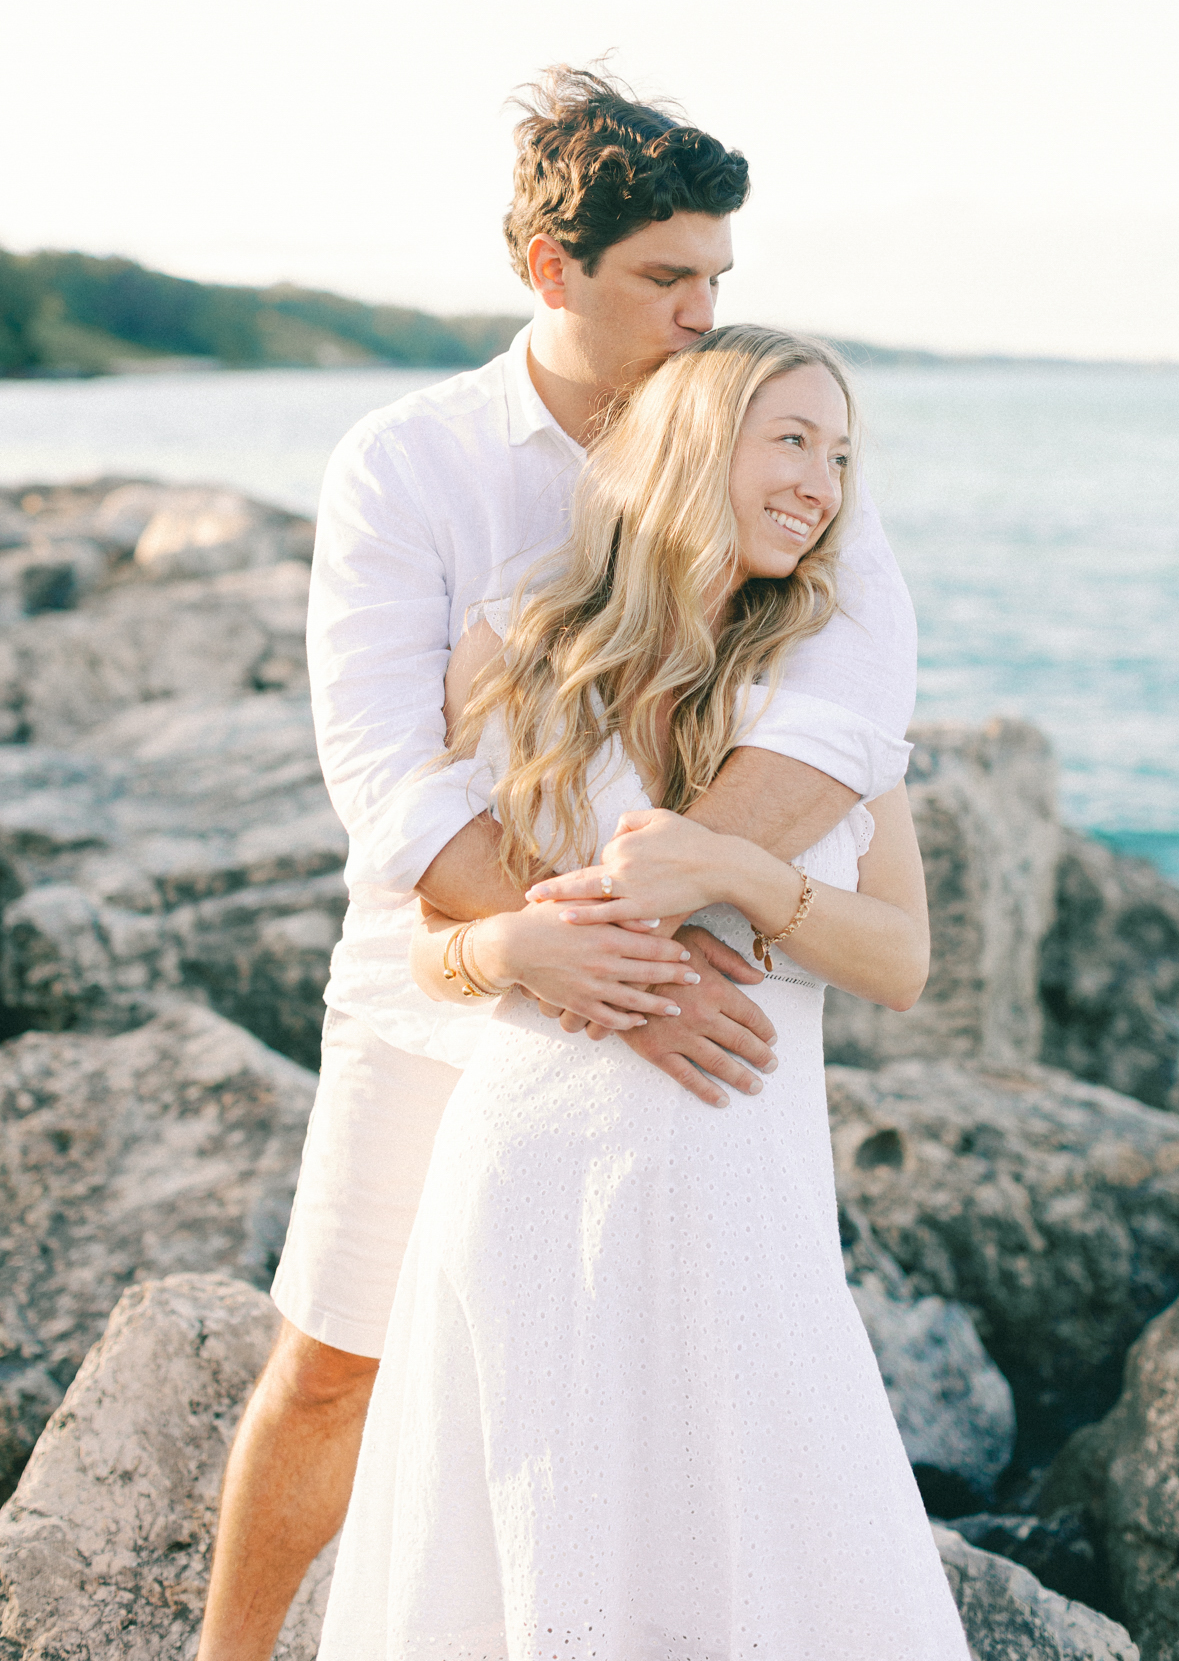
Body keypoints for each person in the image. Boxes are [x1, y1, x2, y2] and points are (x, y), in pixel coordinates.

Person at [197, 69, 917, 1661]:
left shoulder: (770, 437)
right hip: (442, 947)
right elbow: (384, 773)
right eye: (668, 279)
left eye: (716, 276)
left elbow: (853, 707)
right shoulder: (412, 459)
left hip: (678, 949)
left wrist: (652, 940)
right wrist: (558, 954)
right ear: (551, 272)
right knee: (339, 1354)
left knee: (654, 1371)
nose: (699, 310)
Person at [317, 325, 967, 1658]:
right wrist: (512, 953)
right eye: (790, 440)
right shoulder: (525, 663)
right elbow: (423, 942)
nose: (824, 484)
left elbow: (901, 963)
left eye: (841, 455)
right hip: (530, 1192)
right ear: (691, 448)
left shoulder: (830, 706)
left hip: (747, 1209)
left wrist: (730, 866)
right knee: (532, 1573)